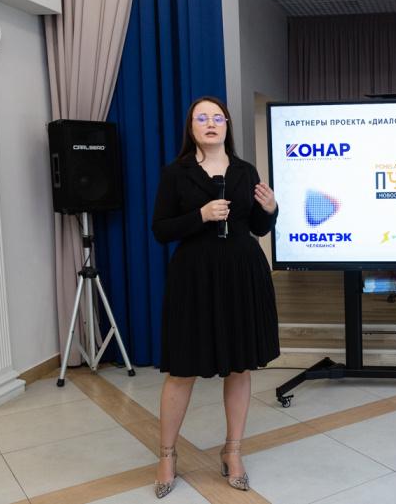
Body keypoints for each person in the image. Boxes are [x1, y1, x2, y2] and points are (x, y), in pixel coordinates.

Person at [151, 96, 279, 498]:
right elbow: (160, 230)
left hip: (242, 274)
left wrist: (271, 209)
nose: (210, 123)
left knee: (239, 367)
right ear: (191, 128)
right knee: (182, 369)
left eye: (217, 118)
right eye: (201, 118)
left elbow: (257, 227)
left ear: (226, 125)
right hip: (194, 278)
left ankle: (233, 451)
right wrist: (200, 216)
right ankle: (167, 455)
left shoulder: (244, 171)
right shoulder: (176, 173)